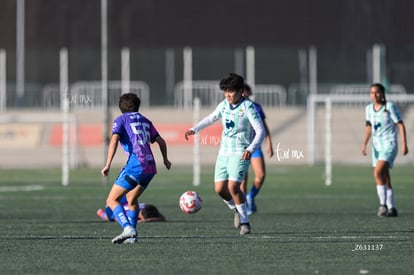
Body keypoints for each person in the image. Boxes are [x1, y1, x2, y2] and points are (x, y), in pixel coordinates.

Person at [184, 73, 265, 235]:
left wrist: (250, 149)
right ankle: (237, 209)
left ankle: (245, 222)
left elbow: (260, 131)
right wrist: (194, 129)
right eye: (225, 91)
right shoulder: (224, 105)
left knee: (233, 187)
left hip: (240, 152)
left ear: (241, 91)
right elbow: (211, 118)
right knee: (220, 189)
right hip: (224, 153)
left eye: (231, 91)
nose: (227, 94)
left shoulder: (248, 107)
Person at [101, 93, 171, 244]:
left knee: (112, 200)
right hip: (150, 167)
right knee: (132, 198)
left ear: (121, 108)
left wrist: (108, 164)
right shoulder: (146, 120)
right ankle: (132, 237)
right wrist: (165, 159)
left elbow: (114, 140)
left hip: (136, 166)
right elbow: (161, 141)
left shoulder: (121, 119)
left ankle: (127, 228)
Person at [361, 83, 408, 217]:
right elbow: (369, 127)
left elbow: (400, 124)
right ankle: (392, 208)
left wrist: (405, 144)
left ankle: (383, 205)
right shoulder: (369, 109)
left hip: (389, 144)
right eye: (371, 93)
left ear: (382, 94)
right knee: (385, 177)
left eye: (377, 92)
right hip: (376, 146)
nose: (374, 95)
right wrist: (364, 144)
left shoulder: (389, 107)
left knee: (377, 173)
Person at [240, 83, 274, 215]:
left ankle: (250, 196)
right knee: (242, 179)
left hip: (255, 147)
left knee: (260, 175)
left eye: (246, 92)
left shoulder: (256, 107)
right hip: (241, 147)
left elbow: (264, 127)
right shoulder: (236, 108)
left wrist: (269, 143)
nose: (244, 94)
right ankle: (244, 207)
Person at [96, 197, 166, 223]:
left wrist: (147, 220)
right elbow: (118, 218)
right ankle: (100, 213)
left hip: (124, 200)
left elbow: (162, 218)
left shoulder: (147, 207)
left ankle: (100, 212)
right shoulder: (130, 214)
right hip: (113, 208)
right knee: (109, 218)